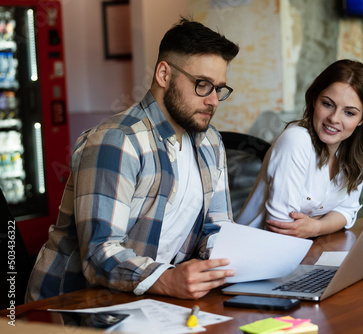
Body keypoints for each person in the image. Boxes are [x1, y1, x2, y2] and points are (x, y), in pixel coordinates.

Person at [26, 18, 239, 303]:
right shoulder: (117, 140)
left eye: (219, 89)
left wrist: (230, 264)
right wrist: (168, 278)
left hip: (147, 301)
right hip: (68, 307)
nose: (213, 100)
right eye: (203, 85)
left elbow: (217, 229)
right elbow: (99, 253)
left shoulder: (210, 141)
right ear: (164, 74)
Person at [237, 59, 363, 238]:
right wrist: (323, 223)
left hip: (306, 248)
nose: (334, 118)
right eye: (328, 104)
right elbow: (282, 228)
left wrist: (316, 227)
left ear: (362, 119)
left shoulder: (359, 152)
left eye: (349, 113)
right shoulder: (296, 141)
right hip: (257, 252)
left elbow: (347, 211)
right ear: (315, 99)